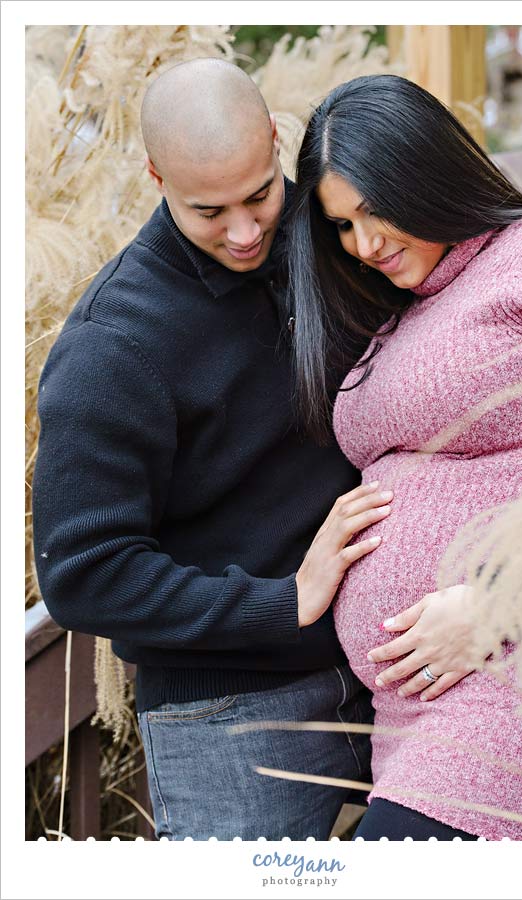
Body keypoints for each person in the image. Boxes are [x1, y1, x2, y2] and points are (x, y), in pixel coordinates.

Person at [32, 59, 394, 840]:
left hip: (394, 657)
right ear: (156, 175)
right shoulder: (112, 346)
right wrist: (284, 602)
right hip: (230, 712)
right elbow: (83, 574)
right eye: (208, 210)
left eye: (259, 194)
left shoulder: (337, 232)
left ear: (275, 139)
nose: (244, 231)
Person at [286, 74, 522, 840]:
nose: (365, 244)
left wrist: (501, 598)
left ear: (427, 172)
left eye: (376, 209)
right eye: (343, 225)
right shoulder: (399, 316)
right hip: (407, 714)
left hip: (517, 664)